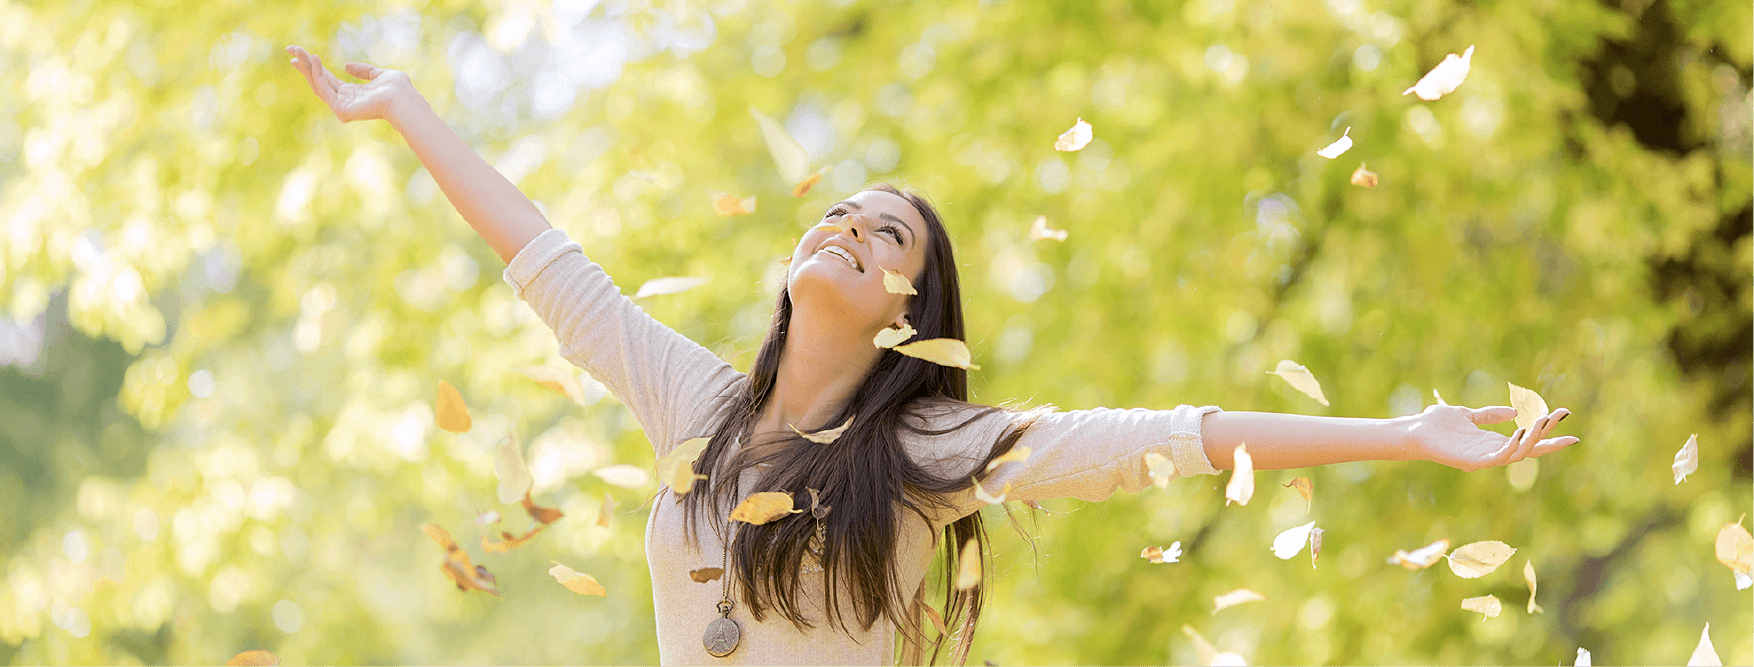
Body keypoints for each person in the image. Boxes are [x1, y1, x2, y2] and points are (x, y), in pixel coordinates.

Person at [286, 45, 1581, 667]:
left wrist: (1405, 434)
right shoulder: (696, 404)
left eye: (885, 232)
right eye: (840, 210)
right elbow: (545, 259)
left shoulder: (927, 448)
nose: (848, 225)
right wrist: (401, 106)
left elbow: (1166, 438)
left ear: (911, 308)